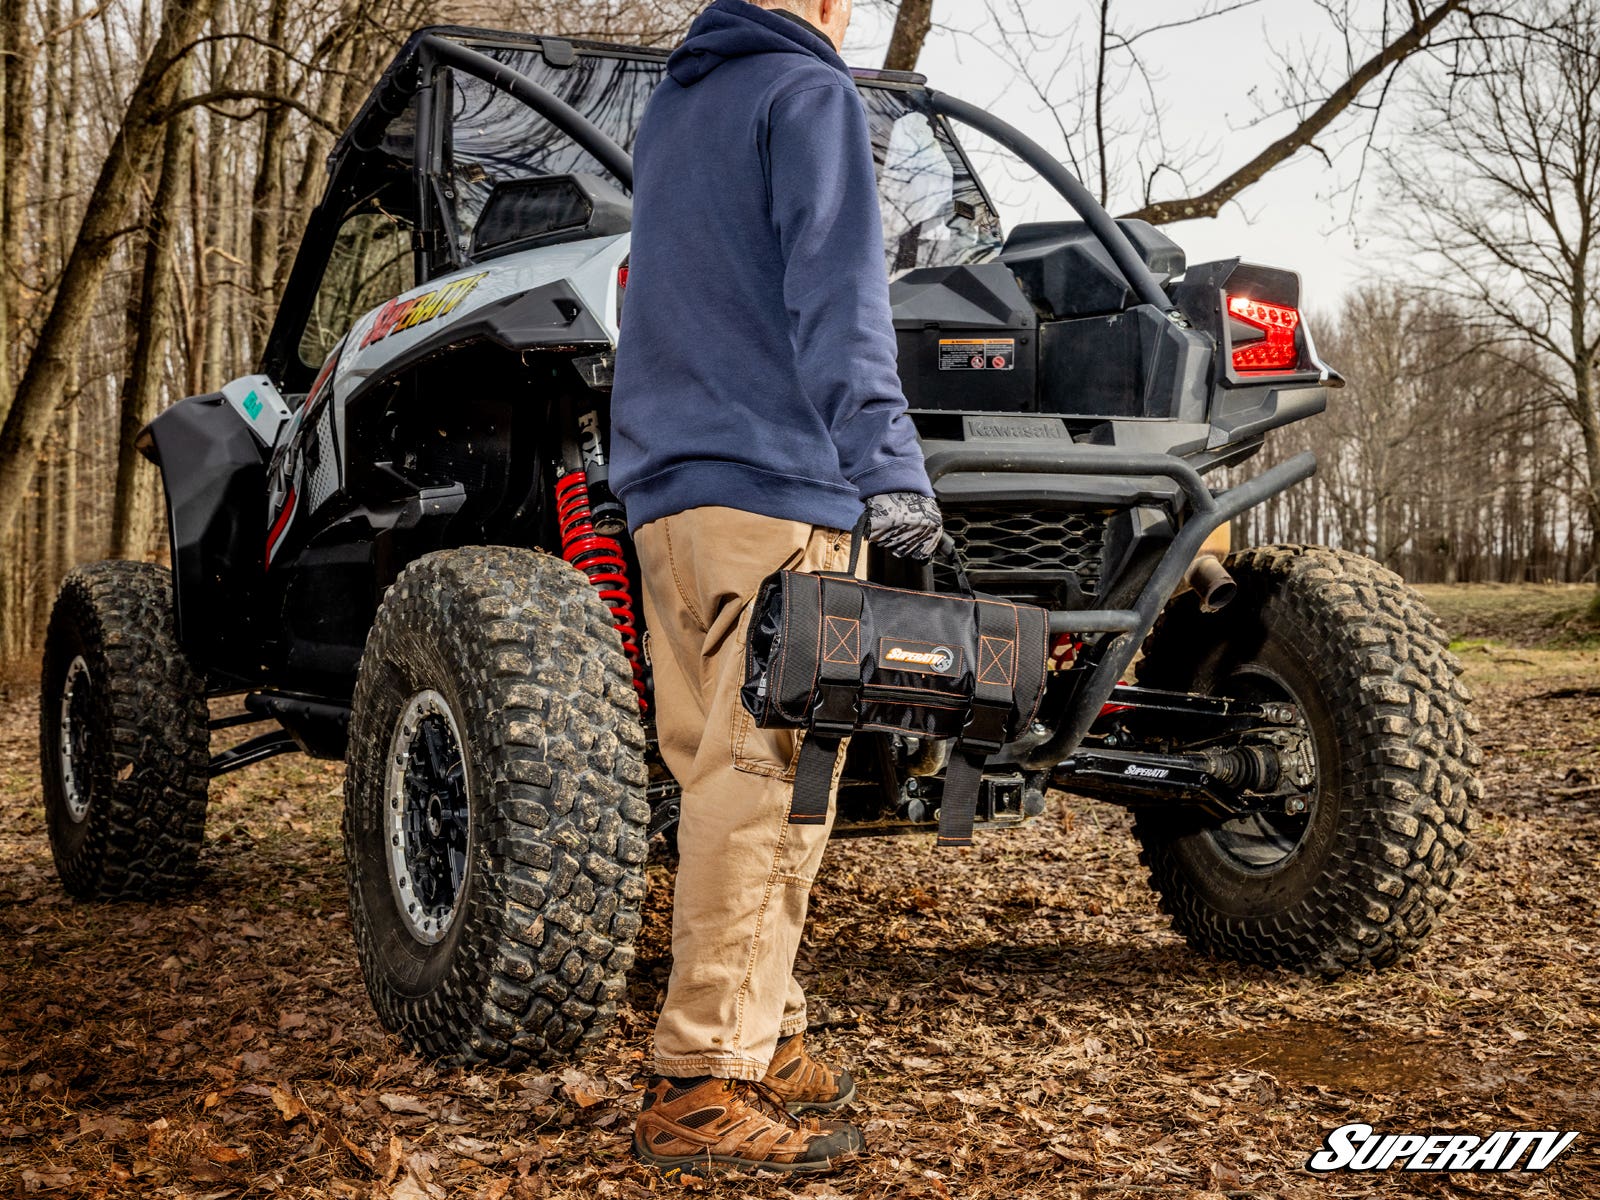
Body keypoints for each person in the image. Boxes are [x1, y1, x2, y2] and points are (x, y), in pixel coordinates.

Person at [609, 0, 944, 1179]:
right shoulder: (808, 94)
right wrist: (888, 469)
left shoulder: (679, 107)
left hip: (670, 497)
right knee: (770, 782)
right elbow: (841, 299)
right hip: (777, 492)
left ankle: (765, 1027)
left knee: (715, 767)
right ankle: (700, 1082)